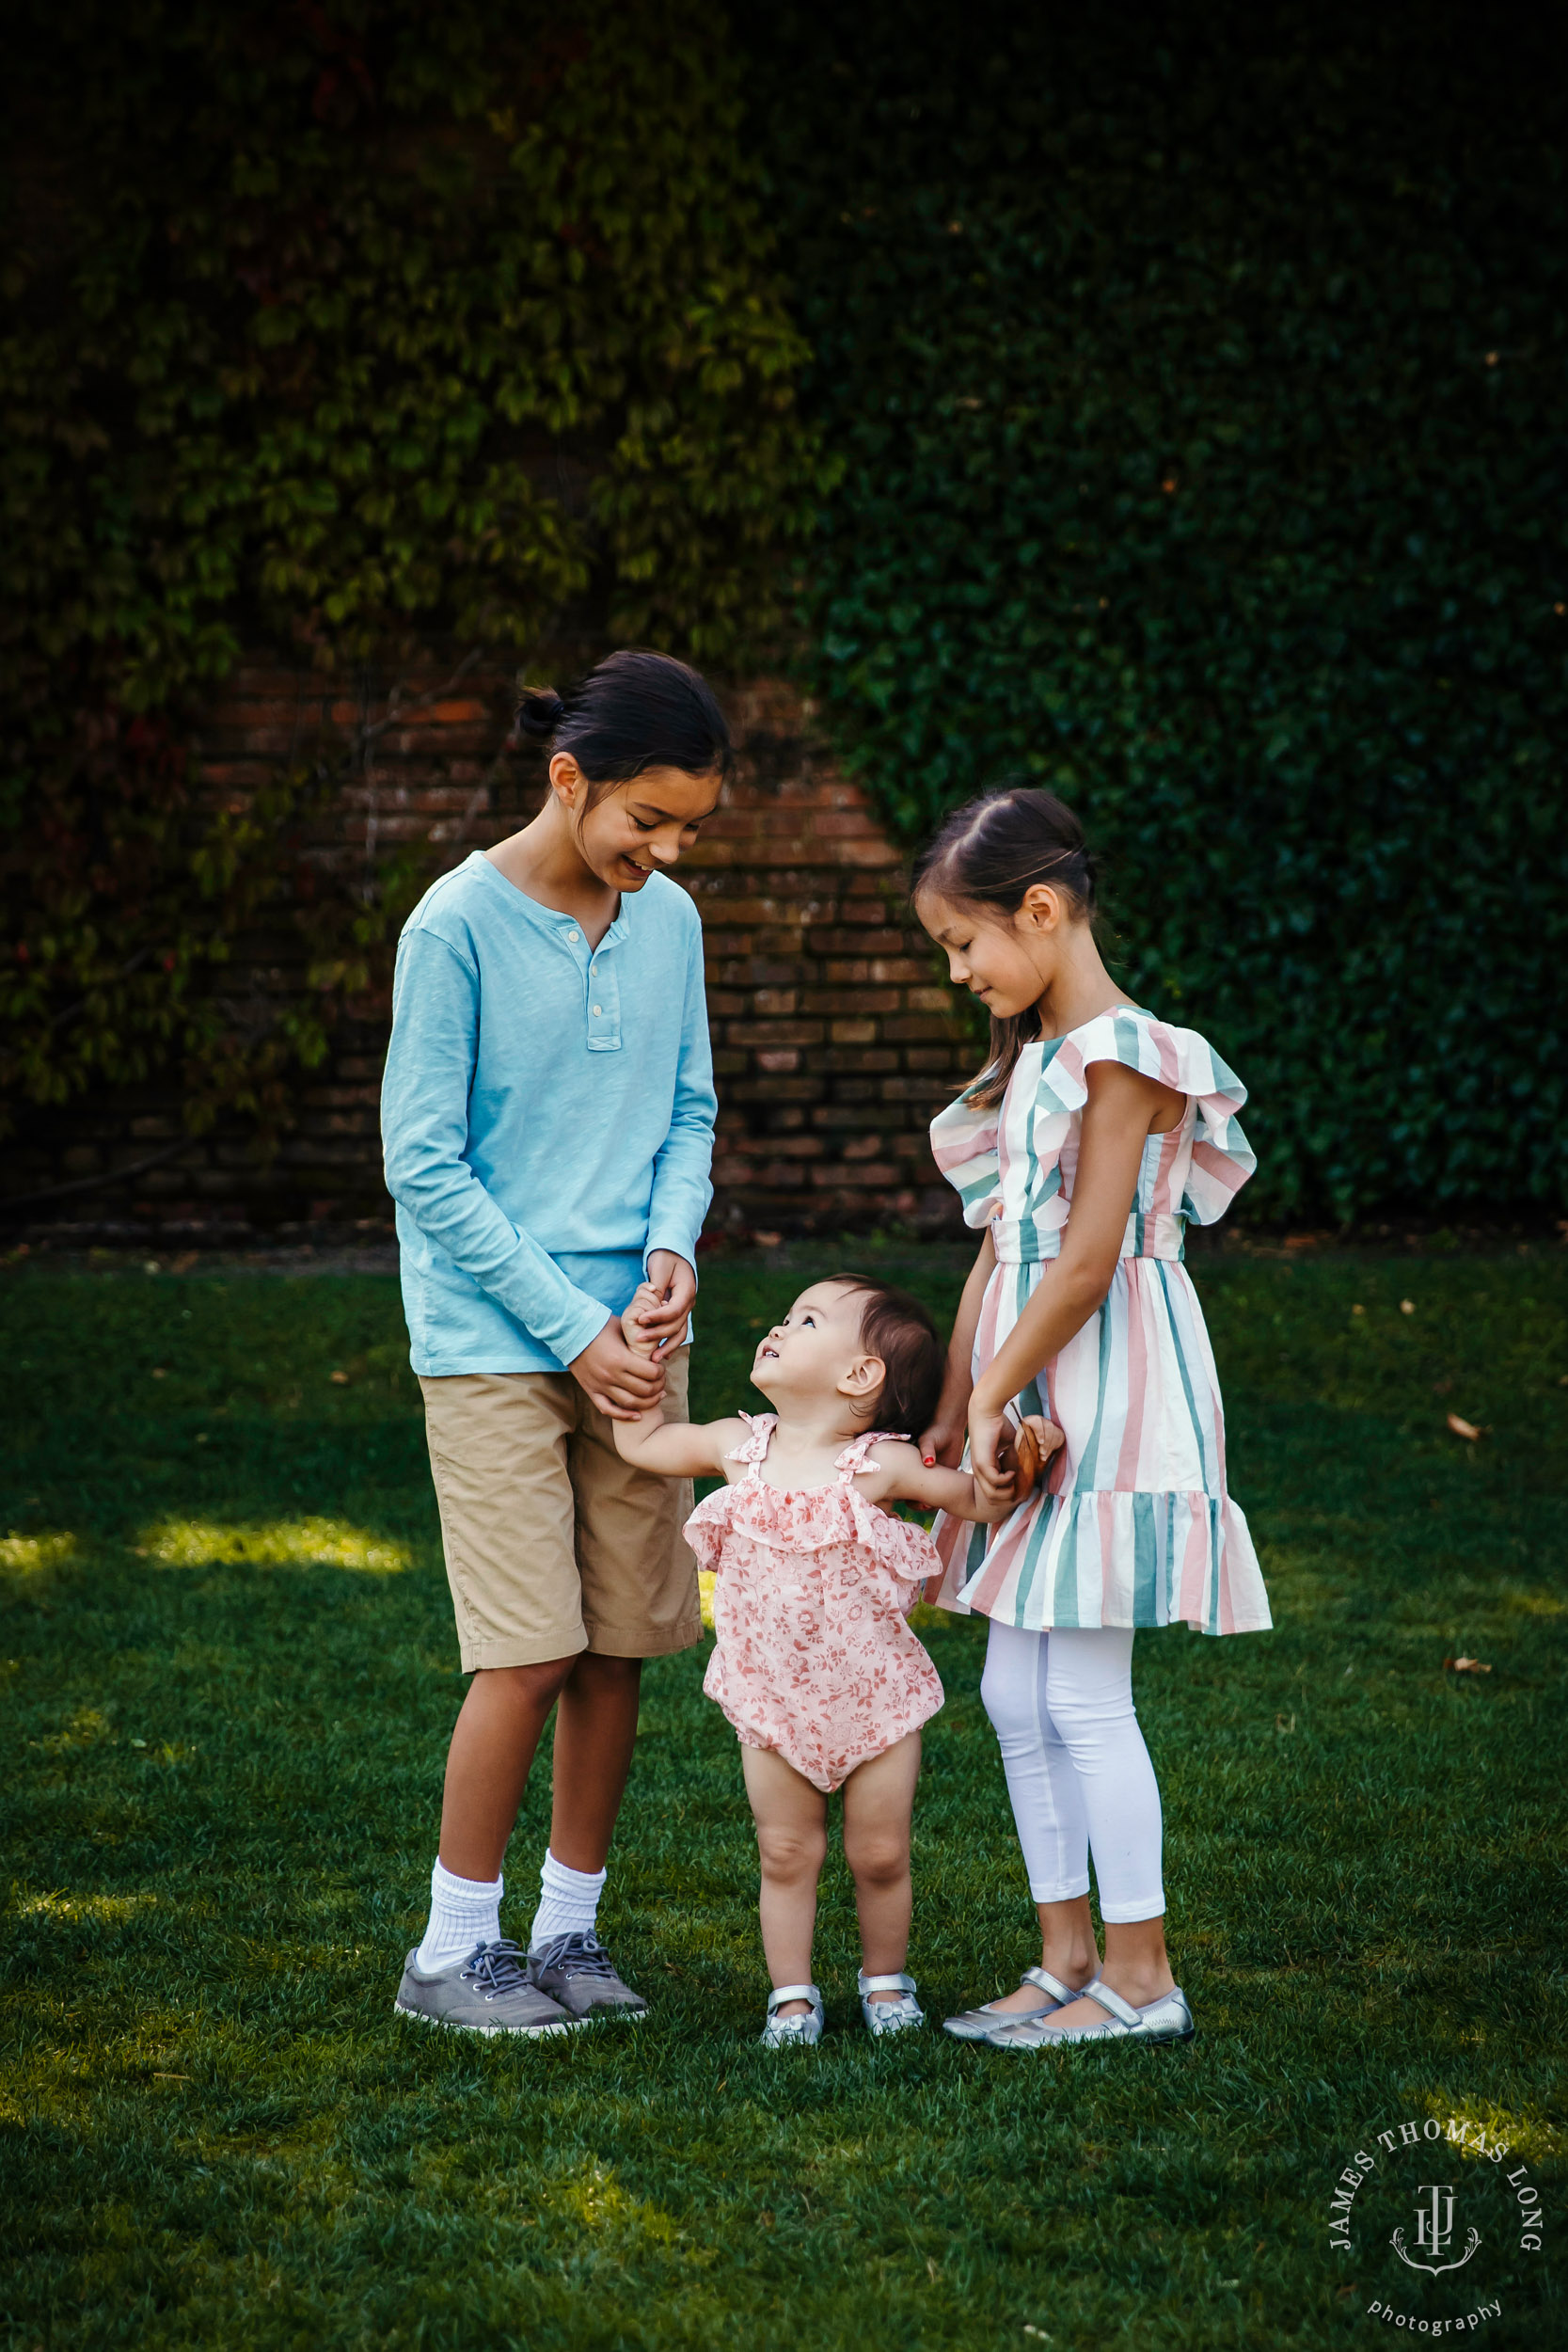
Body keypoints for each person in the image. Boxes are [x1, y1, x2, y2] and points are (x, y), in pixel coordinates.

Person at [383, 649, 727, 2037]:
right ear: (566, 777)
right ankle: (450, 1953)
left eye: (690, 828)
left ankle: (568, 1937)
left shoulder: (672, 922)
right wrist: (573, 1330)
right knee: (526, 1648)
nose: (665, 850)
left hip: (634, 1338)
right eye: (646, 819)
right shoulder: (451, 926)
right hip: (492, 1340)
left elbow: (689, 1113)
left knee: (618, 1646)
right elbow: (423, 1167)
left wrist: (669, 1255)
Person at [911, 785, 1272, 2051]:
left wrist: (1009, 1385)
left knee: (1081, 1698)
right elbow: (998, 1257)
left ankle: (1142, 1976)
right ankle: (1064, 1957)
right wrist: (960, 1408)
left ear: (1043, 910)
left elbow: (1082, 1263)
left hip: (1109, 1388)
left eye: (964, 944)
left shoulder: (1124, 1055)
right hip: (1028, 1380)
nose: (958, 971)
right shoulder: (1023, 1071)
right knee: (1014, 1693)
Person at [613, 1272, 1059, 2046]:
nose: (779, 1327)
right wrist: (641, 1360)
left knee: (880, 1853)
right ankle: (791, 1996)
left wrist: (1018, 1456)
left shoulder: (879, 1466)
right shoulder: (735, 1447)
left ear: (860, 1377)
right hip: (771, 1698)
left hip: (875, 1697)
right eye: (787, 1315)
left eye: (806, 1320)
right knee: (785, 1851)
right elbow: (642, 1444)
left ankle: (885, 1983)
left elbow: (978, 1500)